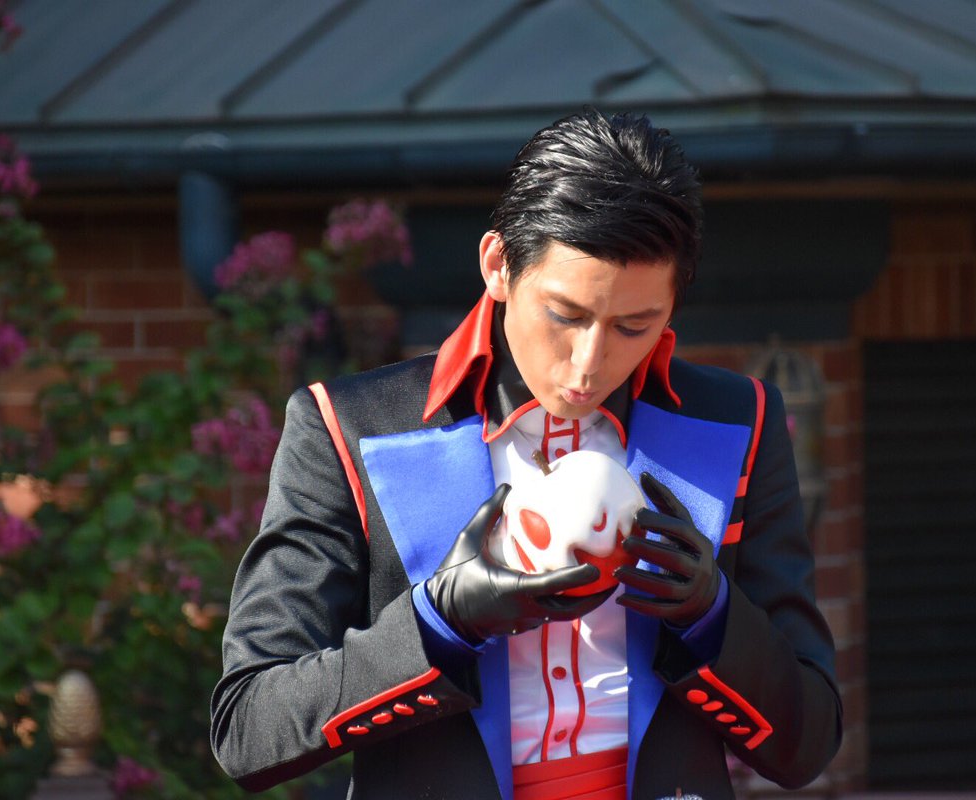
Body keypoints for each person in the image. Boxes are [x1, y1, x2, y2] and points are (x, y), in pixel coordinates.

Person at [211, 108, 841, 800]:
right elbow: (248, 730)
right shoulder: (345, 427)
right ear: (497, 265)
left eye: (635, 326)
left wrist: (713, 615)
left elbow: (808, 744)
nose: (589, 363)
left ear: (673, 304)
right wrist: (437, 623)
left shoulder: (740, 420)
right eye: (566, 315)